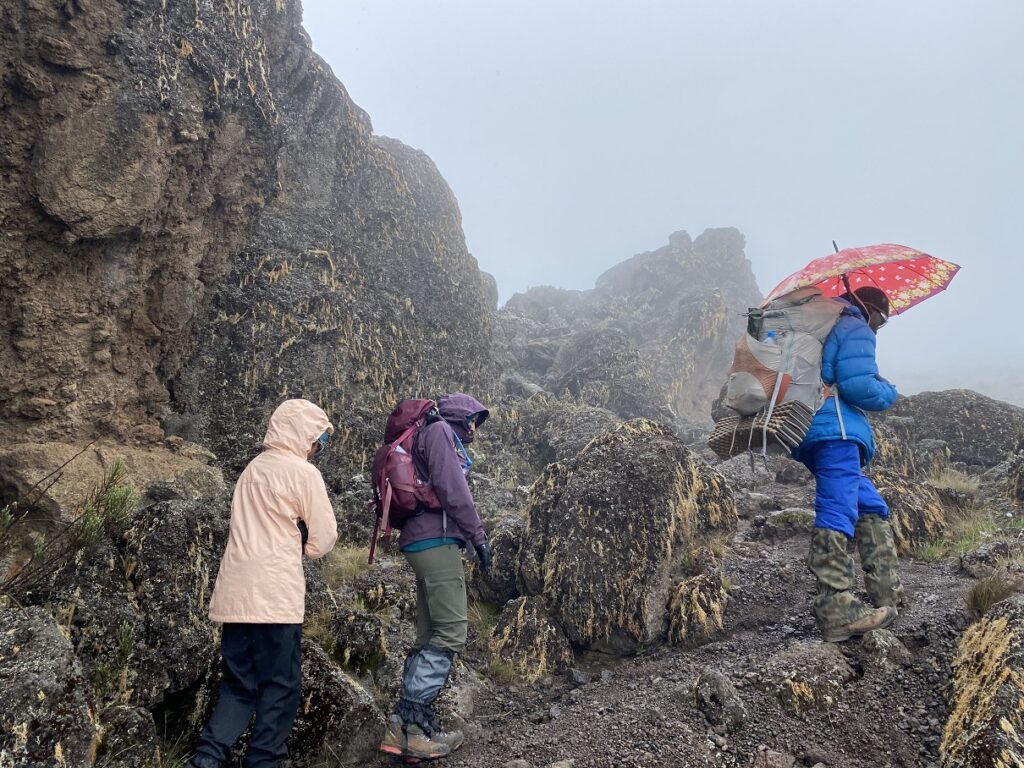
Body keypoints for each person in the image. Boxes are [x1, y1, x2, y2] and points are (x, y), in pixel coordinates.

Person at [188, 399, 338, 768]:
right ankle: (263, 761)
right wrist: (303, 541)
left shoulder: (252, 469)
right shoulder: (304, 474)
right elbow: (323, 540)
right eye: (318, 439)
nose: (317, 447)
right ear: (304, 435)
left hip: (236, 597)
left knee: (239, 685)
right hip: (274, 598)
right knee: (280, 687)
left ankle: (207, 758)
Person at [379, 393, 493, 763]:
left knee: (430, 634)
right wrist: (478, 537)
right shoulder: (440, 431)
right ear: (461, 416)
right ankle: (413, 728)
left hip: (419, 542)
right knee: (452, 630)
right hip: (436, 541)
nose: (474, 428)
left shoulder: (426, 432)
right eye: (473, 419)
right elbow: (453, 489)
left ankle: (406, 728)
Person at [793, 286, 904, 643]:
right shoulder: (853, 325)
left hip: (810, 429)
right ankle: (836, 610)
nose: (878, 328)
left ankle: (887, 592)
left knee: (870, 504)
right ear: (869, 308)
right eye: (881, 320)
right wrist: (889, 390)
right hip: (836, 430)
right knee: (837, 509)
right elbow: (860, 387)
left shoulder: (822, 325)